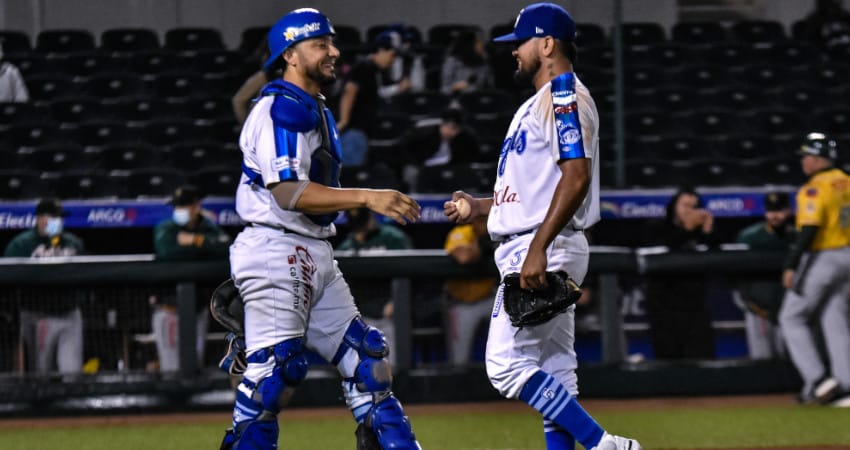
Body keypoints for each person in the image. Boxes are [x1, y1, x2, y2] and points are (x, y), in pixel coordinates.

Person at [443, 4, 641, 449]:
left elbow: (576, 176)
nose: (514, 51)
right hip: (541, 242)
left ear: (547, 44)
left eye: (521, 42)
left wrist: (538, 248)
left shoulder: (563, 94)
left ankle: (604, 445)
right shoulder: (539, 103)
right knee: (555, 368)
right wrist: (479, 207)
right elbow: (538, 189)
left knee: (504, 365)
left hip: (541, 248)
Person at [223, 8, 422, 449]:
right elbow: (288, 192)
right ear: (290, 55)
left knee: (366, 360)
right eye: (321, 44)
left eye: (332, 42)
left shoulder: (314, 106)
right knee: (274, 376)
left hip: (312, 251)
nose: (334, 51)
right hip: (276, 248)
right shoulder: (281, 108)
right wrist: (367, 196)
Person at [778, 132, 850, 407]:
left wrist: (791, 264)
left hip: (823, 256)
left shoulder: (814, 187)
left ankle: (818, 380)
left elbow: (809, 229)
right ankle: (845, 387)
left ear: (819, 159)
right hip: (847, 255)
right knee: (835, 319)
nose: (804, 162)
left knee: (791, 317)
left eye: (807, 156)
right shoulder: (848, 182)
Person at [150, 185, 232, 372]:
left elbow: (226, 247)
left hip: (198, 310)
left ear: (196, 207)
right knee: (171, 369)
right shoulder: (166, 227)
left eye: (184, 206)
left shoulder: (207, 227)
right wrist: (203, 249)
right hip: (170, 311)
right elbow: (166, 251)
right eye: (177, 206)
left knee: (195, 366)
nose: (179, 211)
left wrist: (196, 241)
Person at [4, 198, 84, 374]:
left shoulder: (73, 243)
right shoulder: (21, 244)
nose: (59, 222)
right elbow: (7, 277)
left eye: (60, 218)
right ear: (40, 219)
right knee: (40, 374)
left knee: (72, 372)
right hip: (37, 316)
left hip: (69, 313)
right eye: (54, 217)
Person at [642, 187, 718, 360]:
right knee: (668, 357)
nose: (690, 211)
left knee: (701, 356)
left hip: (695, 305)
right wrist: (687, 230)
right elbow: (659, 253)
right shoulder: (657, 227)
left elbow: (715, 252)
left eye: (694, 206)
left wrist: (708, 231)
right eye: (685, 205)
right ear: (674, 206)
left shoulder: (700, 231)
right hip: (663, 305)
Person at [335, 207, 414, 366]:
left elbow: (412, 273)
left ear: (371, 216)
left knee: (391, 366)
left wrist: (396, 302)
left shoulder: (392, 238)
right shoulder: (346, 247)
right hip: (360, 315)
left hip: (389, 313)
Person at [734, 191, 795, 360]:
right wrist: (749, 302)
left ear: (789, 211)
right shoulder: (750, 237)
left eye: (779, 210)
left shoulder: (797, 235)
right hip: (758, 306)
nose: (774, 216)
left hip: (789, 305)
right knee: (762, 357)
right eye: (770, 210)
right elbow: (738, 276)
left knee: (792, 357)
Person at [337, 29, 408, 167]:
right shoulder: (364, 68)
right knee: (349, 176)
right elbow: (349, 92)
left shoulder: (375, 71)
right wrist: (344, 121)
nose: (393, 60)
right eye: (392, 55)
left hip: (362, 133)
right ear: (381, 50)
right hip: (354, 133)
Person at [443, 215, 497, 366]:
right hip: (461, 303)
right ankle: (458, 386)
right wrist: (481, 244)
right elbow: (464, 257)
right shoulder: (463, 232)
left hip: (489, 299)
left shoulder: (499, 234)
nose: (486, 225)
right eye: (482, 221)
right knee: (459, 360)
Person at [440, 29, 494, 97]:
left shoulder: (484, 63)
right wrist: (455, 87)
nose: (482, 45)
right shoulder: (452, 62)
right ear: (469, 45)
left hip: (478, 100)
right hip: (456, 98)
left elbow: (489, 87)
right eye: (478, 42)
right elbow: (444, 89)